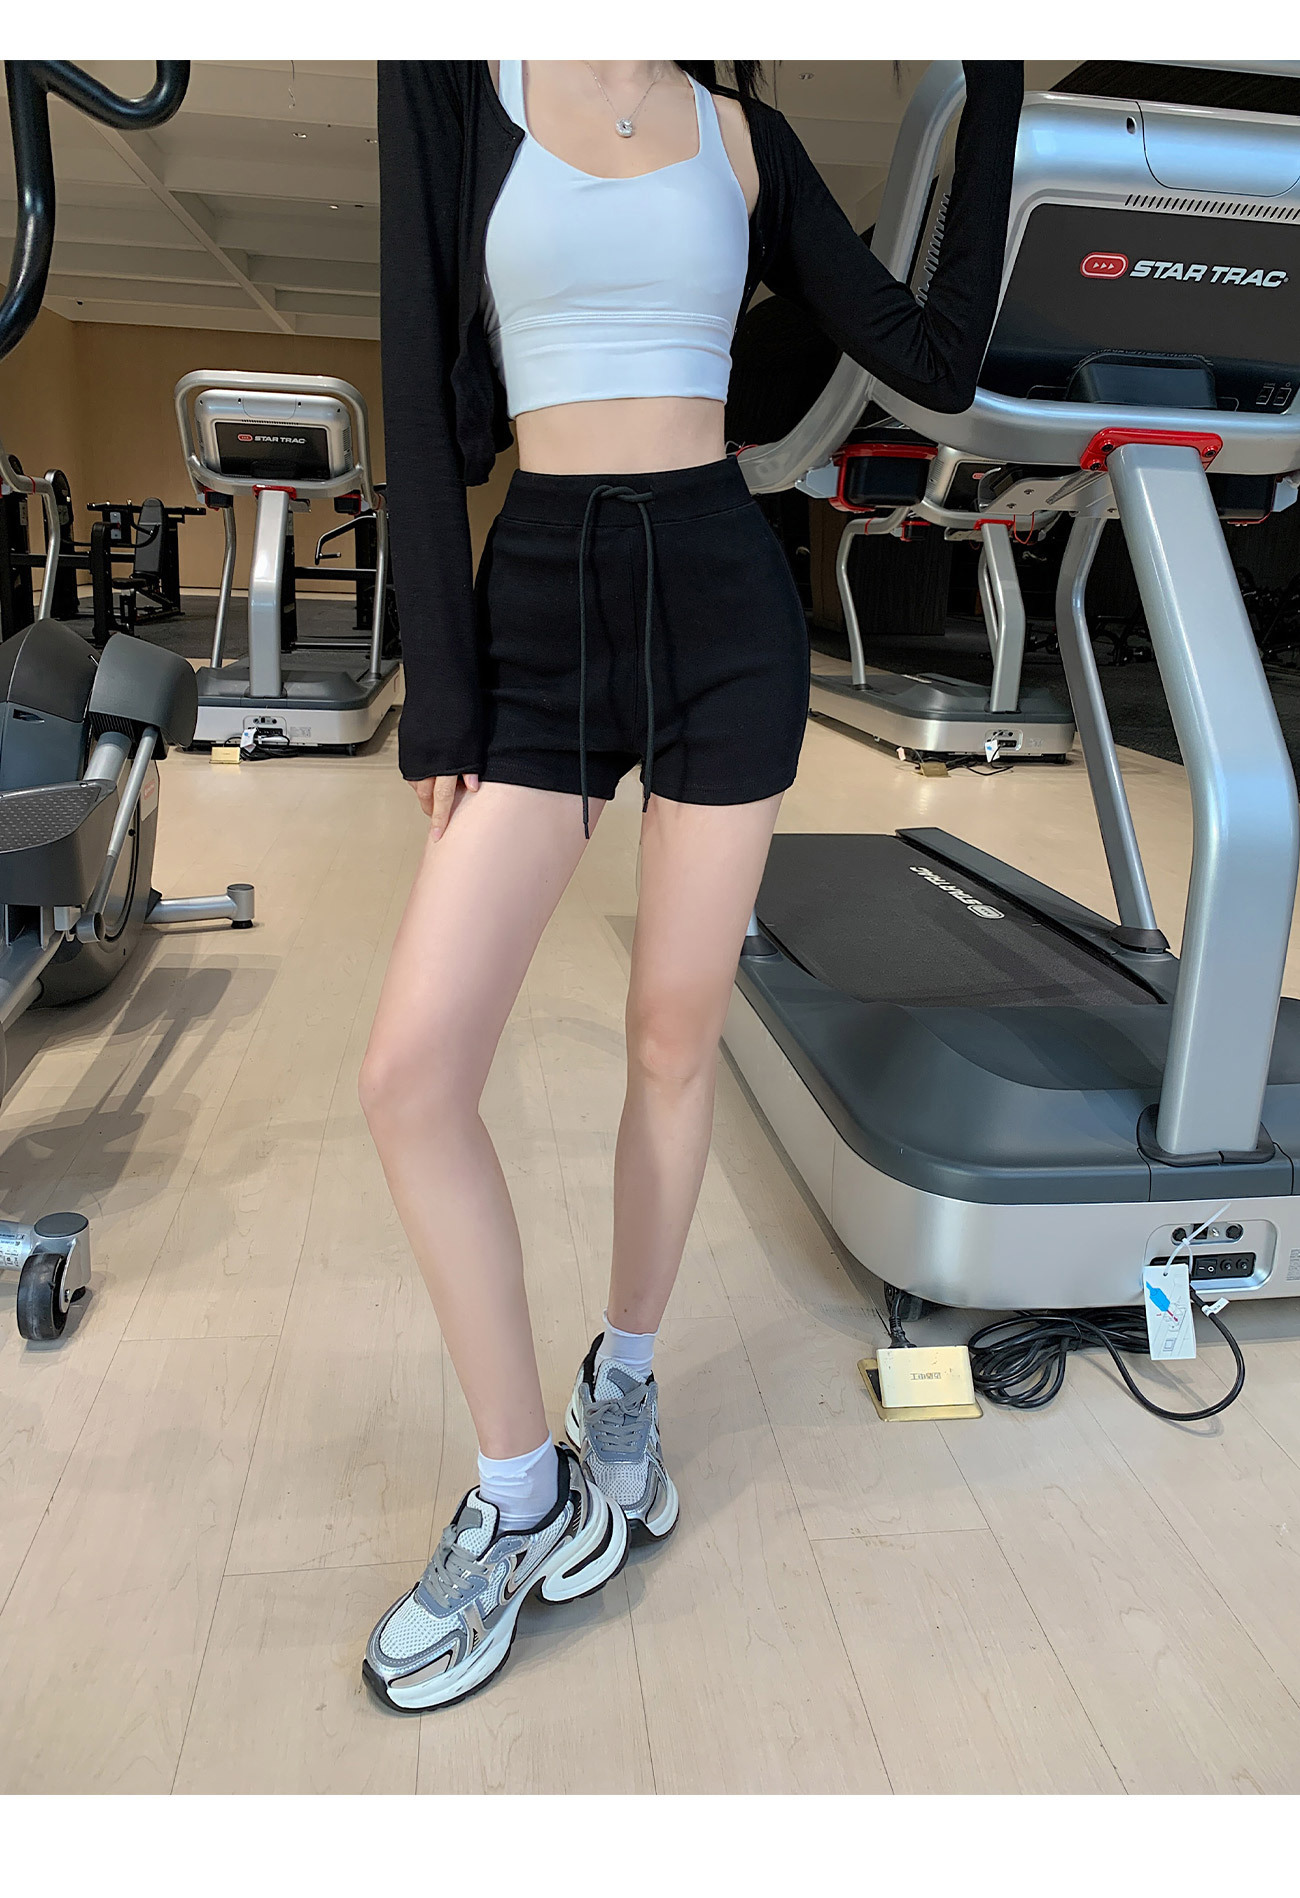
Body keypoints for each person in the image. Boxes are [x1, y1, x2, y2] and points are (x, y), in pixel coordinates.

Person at [360, 57, 1023, 1712]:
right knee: (410, 1074)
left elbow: (936, 356)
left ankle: (626, 1388)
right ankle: (526, 1492)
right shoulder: (455, 79)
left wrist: (996, 74)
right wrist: (439, 686)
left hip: (726, 605)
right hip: (538, 605)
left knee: (673, 1038)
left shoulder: (745, 135)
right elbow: (410, 360)